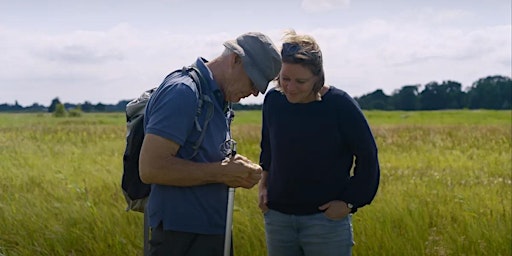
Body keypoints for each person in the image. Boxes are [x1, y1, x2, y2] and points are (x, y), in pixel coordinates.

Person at [139, 32, 281, 256]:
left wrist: (235, 168)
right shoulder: (183, 92)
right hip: (179, 236)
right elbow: (151, 168)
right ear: (235, 60)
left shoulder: (218, 99)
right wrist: (221, 173)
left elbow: (202, 157)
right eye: (253, 81)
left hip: (211, 232)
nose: (254, 92)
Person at [258, 29, 380, 256]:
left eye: (300, 81)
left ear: (318, 77)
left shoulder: (340, 105)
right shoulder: (274, 101)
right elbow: (268, 149)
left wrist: (350, 203)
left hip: (325, 223)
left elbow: (368, 157)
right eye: (285, 79)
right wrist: (263, 187)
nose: (290, 87)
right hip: (278, 219)